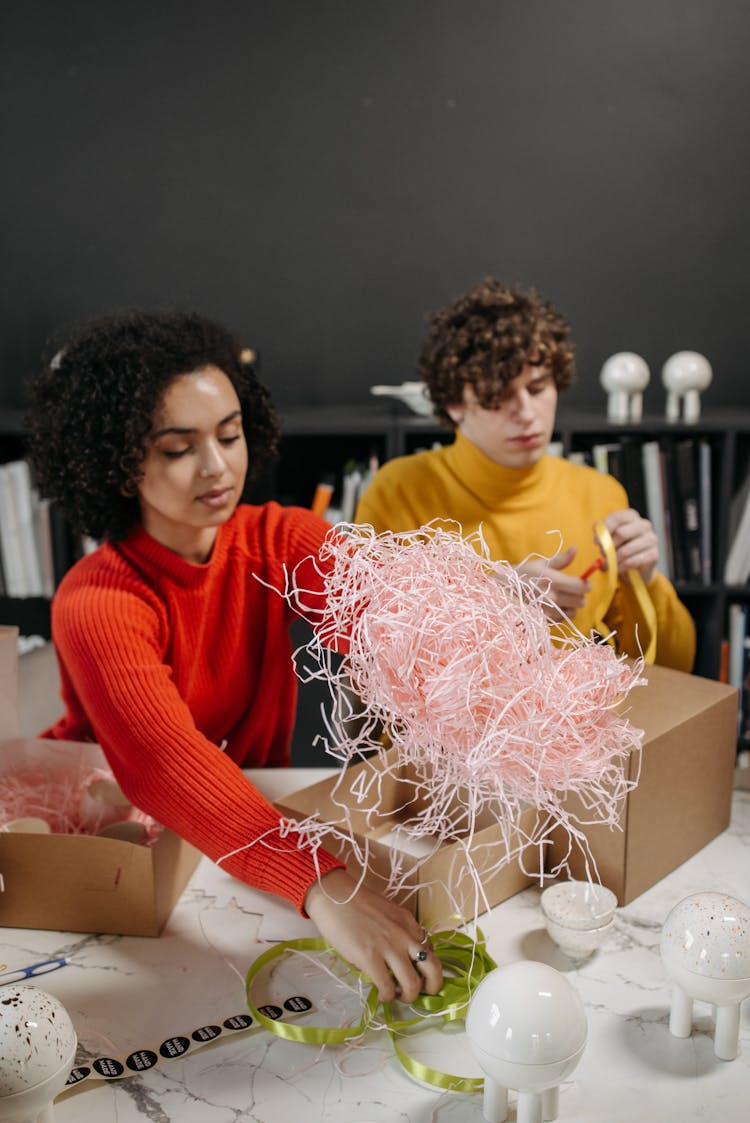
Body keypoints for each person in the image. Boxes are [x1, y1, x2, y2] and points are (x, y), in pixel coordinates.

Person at [26, 310, 441, 1002]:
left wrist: (493, 608)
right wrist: (324, 882)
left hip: (250, 821)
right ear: (118, 460)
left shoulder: (278, 538)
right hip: (118, 831)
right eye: (178, 447)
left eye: (229, 433)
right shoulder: (95, 600)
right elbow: (166, 764)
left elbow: (384, 610)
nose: (218, 466)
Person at [355, 278, 695, 671]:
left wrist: (649, 580)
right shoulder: (400, 490)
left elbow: (675, 665)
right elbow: (370, 659)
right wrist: (492, 603)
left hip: (571, 727)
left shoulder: (599, 494)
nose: (527, 413)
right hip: (437, 731)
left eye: (538, 387)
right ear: (453, 403)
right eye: (498, 396)